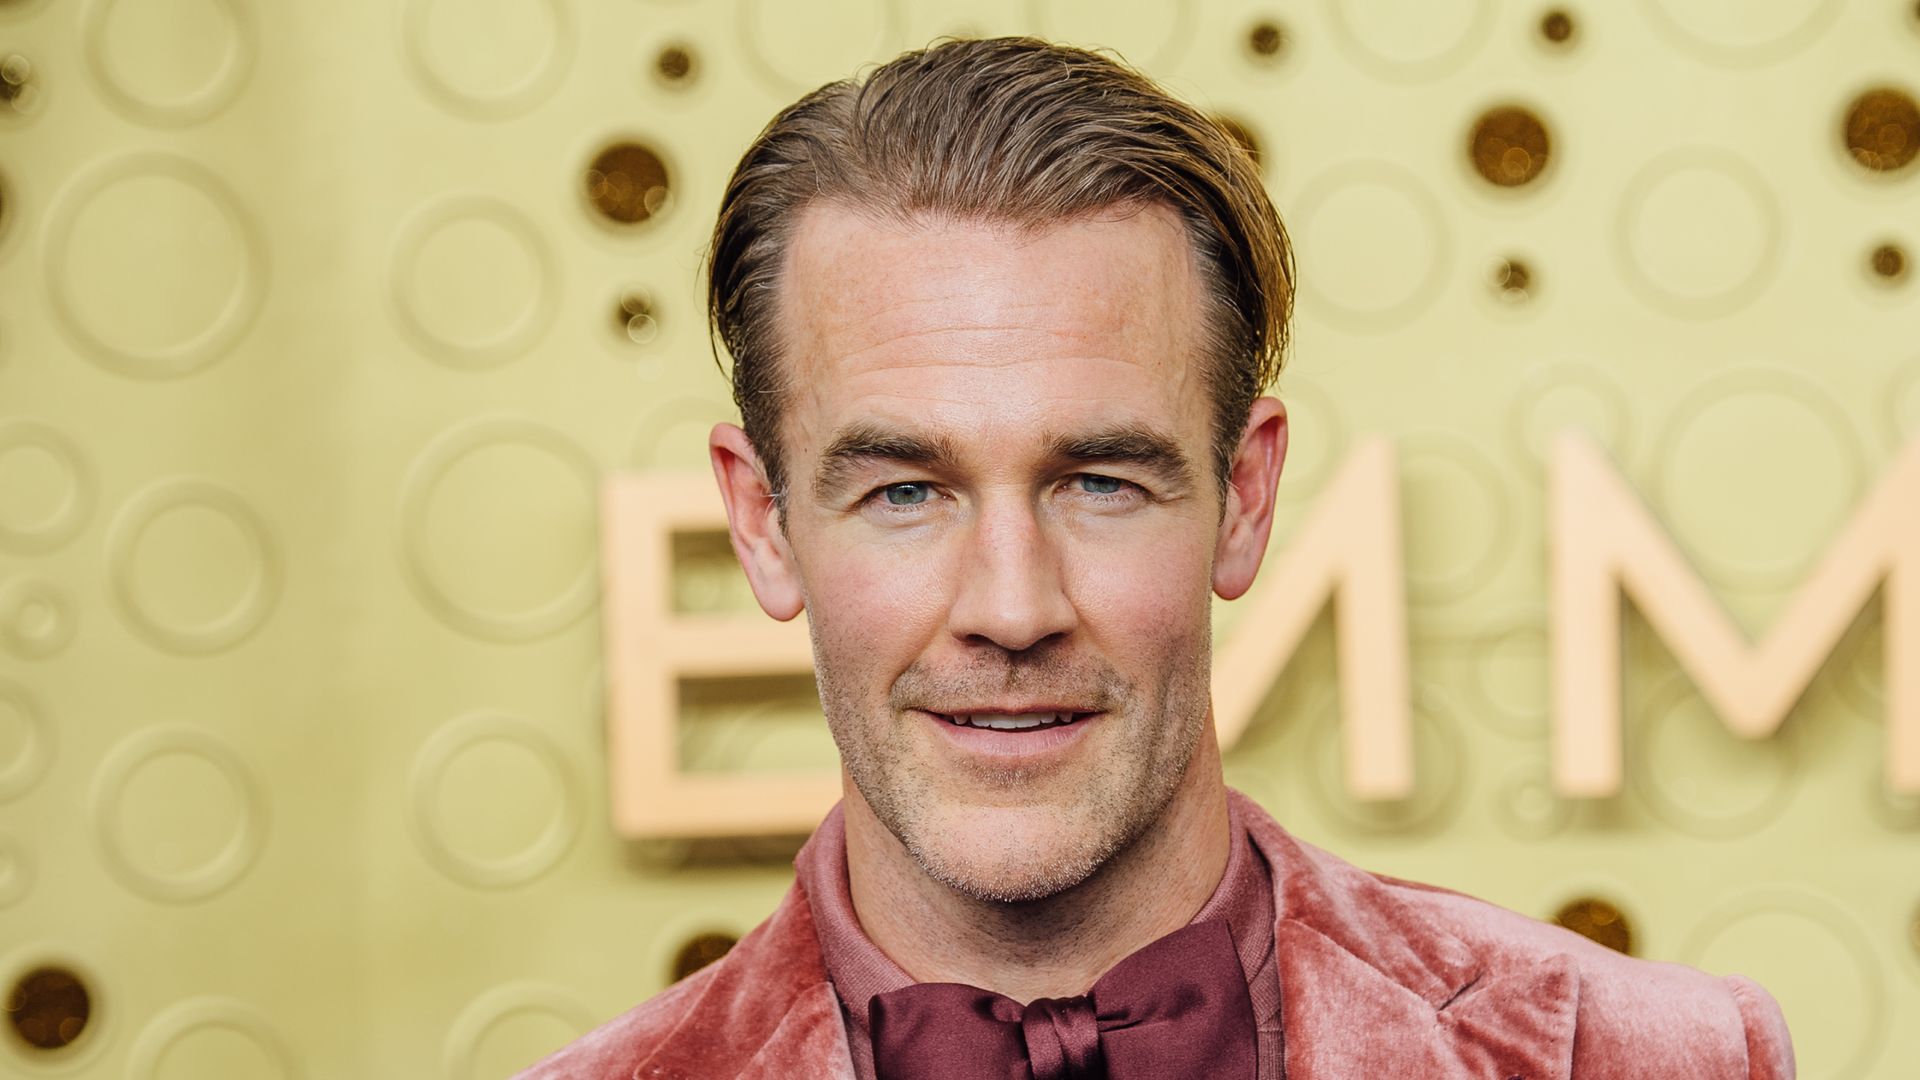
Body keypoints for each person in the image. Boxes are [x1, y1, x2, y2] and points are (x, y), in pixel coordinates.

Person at [522, 36, 1793, 1080]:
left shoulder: (1657, 1060)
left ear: (1245, 497)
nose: (1012, 608)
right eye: (907, 490)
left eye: (1100, 483)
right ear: (762, 521)